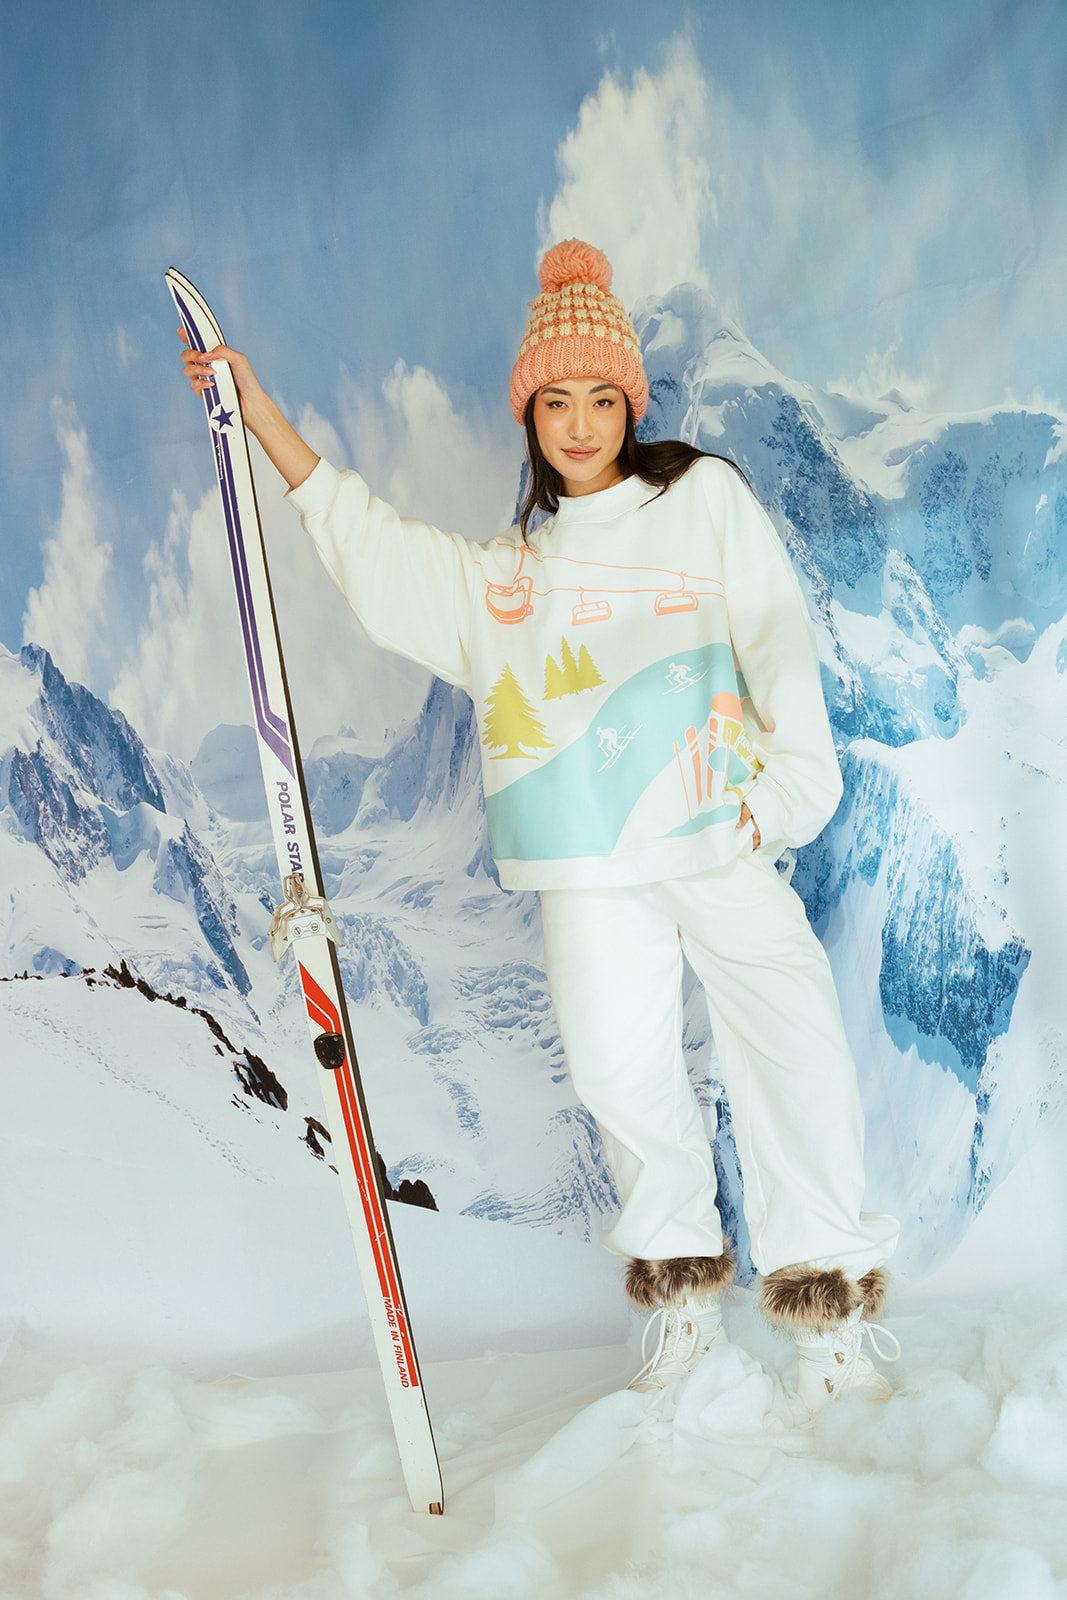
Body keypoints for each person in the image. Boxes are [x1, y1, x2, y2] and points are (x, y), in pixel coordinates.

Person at [180, 238, 899, 1412]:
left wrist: (778, 796)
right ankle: (680, 1310)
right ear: (528, 413)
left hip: (717, 836)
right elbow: (386, 559)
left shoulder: (699, 499)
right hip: (587, 864)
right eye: (555, 401)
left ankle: (828, 1321)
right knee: (621, 1077)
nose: (578, 423)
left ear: (630, 404)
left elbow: (775, 637)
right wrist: (261, 419)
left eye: (600, 398)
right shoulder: (512, 573)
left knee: (793, 1051)